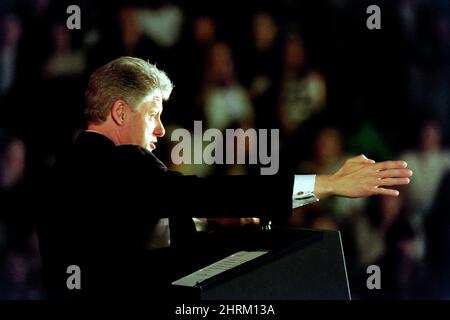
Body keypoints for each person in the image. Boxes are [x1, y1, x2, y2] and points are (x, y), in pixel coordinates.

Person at [37, 56, 412, 300]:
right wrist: (327, 183)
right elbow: (196, 193)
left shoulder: (67, 169)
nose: (162, 131)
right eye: (153, 114)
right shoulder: (119, 159)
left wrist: (212, 222)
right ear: (120, 112)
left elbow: (127, 228)